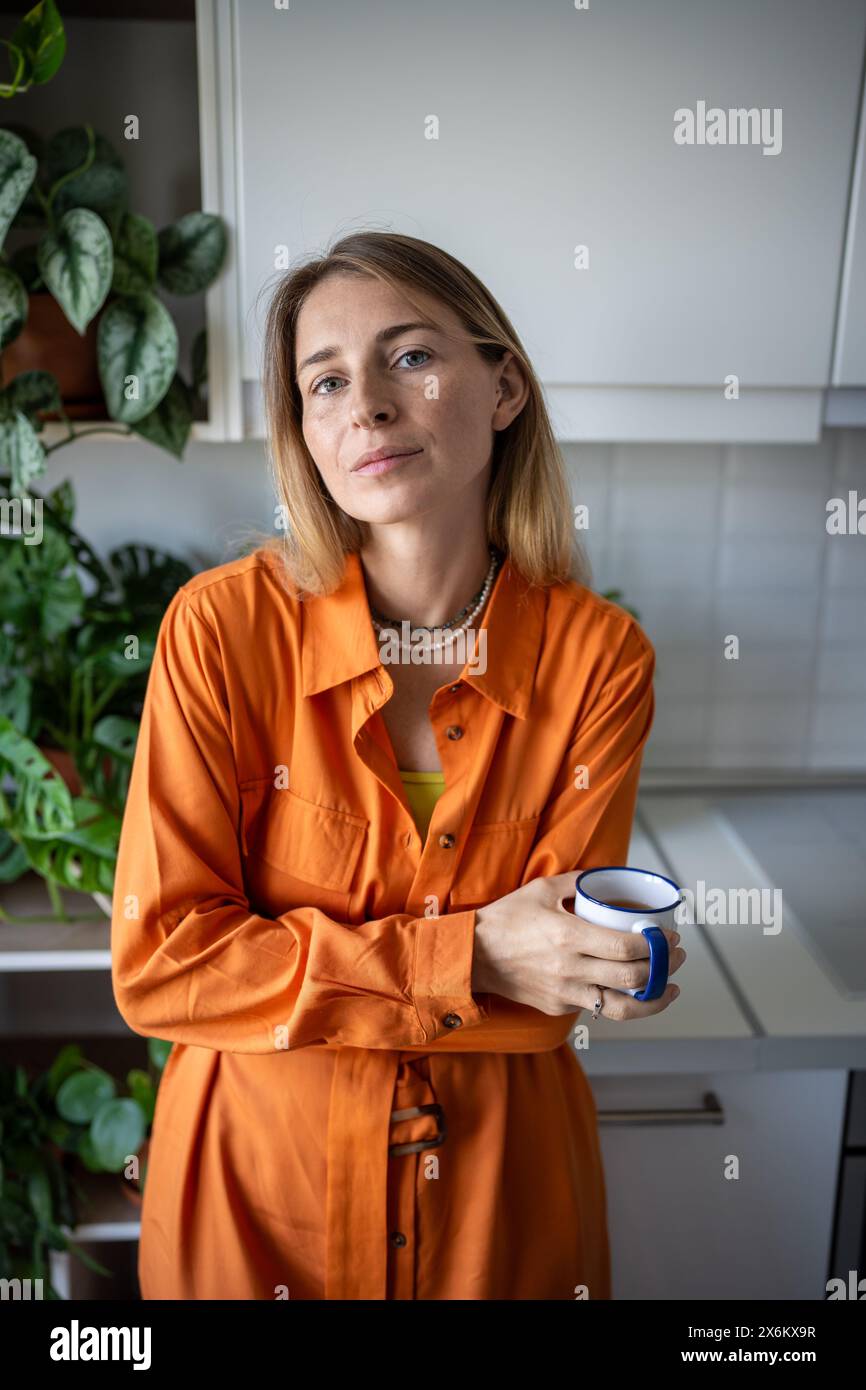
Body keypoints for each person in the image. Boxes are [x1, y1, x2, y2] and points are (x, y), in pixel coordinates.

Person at [111, 230, 685, 1301]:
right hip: (253, 1193)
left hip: (497, 1208)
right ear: (305, 432)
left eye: (409, 357)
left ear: (502, 385)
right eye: (323, 381)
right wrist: (468, 956)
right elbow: (166, 966)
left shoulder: (599, 657)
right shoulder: (221, 630)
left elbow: (545, 1000)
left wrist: (580, 973)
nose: (365, 405)